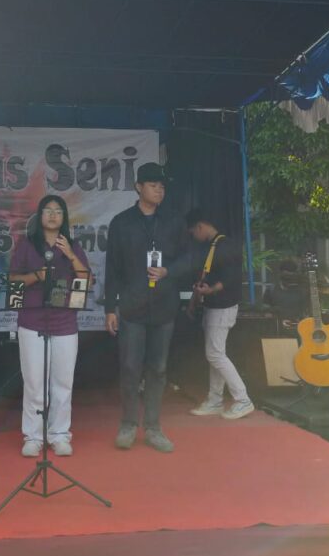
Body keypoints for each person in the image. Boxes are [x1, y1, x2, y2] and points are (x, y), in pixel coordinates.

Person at [104, 162, 186, 453]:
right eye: (153, 185)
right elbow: (112, 268)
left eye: (162, 186)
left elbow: (189, 258)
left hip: (164, 305)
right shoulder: (121, 222)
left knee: (158, 368)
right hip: (131, 306)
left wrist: (168, 271)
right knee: (130, 366)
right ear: (139, 187)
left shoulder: (174, 221)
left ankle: (153, 427)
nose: (159, 190)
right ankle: (128, 424)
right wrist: (110, 308)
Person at [10, 195, 90, 457]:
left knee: (62, 383)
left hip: (64, 322)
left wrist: (70, 255)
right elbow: (13, 280)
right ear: (40, 215)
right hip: (32, 321)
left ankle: (59, 434)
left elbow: (87, 281)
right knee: (34, 382)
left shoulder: (72, 246)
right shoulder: (27, 245)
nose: (53, 215)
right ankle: (33, 436)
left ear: (64, 217)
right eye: (48, 210)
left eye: (58, 211)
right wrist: (36, 276)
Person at [186, 207, 254, 420]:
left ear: (200, 227)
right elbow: (206, 278)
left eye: (193, 233)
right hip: (213, 306)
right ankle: (215, 400)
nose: (194, 237)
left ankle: (243, 399)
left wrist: (211, 290)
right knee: (216, 353)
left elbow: (232, 277)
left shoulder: (225, 245)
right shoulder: (213, 246)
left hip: (223, 306)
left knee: (215, 354)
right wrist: (196, 299)